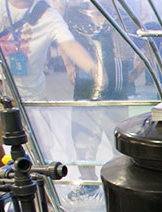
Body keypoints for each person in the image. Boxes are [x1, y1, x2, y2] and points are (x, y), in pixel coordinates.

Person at [0, 0, 96, 161]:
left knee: (39, 151)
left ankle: (36, 177)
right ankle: (0, 178)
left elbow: (70, 45)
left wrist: (94, 69)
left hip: (28, 95)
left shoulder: (48, 16)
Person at [63, 0, 136, 199]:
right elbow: (65, 41)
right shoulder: (75, 16)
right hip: (86, 89)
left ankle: (124, 184)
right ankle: (88, 183)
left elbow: (143, 47)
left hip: (117, 91)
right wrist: (69, 65)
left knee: (118, 140)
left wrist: (135, 74)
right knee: (83, 139)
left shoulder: (123, 18)